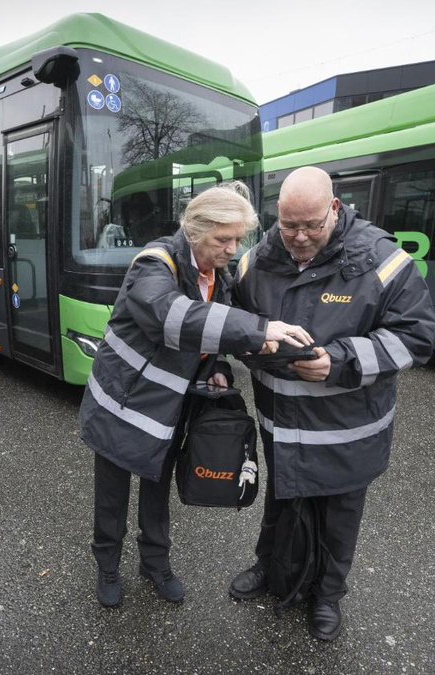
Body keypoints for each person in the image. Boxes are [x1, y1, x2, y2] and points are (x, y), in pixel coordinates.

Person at [79, 182, 312, 608]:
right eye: (224, 239)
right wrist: (258, 329)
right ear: (194, 231)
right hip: (121, 405)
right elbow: (171, 316)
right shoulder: (155, 264)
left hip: (166, 409)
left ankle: (155, 563)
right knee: (111, 497)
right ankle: (107, 567)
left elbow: (207, 344)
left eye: (239, 240)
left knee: (157, 490)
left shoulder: (216, 280)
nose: (234, 250)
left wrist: (218, 367)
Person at [229, 167, 435, 641]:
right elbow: (237, 321)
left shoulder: (383, 260)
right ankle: (270, 569)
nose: (299, 237)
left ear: (335, 209)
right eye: (288, 226)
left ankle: (327, 596)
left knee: (339, 516)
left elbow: (416, 338)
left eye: (311, 225)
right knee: (281, 502)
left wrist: (339, 361)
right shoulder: (255, 262)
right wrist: (250, 344)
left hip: (347, 429)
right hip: (280, 423)